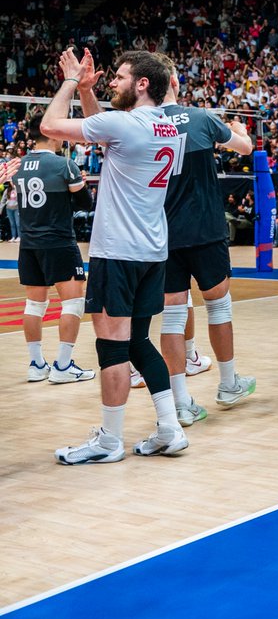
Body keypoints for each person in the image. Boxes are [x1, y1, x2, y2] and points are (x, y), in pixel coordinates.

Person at [42, 47, 190, 463]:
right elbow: (109, 135)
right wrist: (88, 92)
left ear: (142, 84)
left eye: (120, 77)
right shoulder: (167, 128)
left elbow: (50, 125)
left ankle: (109, 441)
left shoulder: (123, 124)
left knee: (111, 347)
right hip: (152, 251)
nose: (113, 81)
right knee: (138, 341)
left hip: (118, 251)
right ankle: (170, 428)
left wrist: (72, 81)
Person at [158, 58, 257, 426]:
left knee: (171, 315)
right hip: (205, 228)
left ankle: (180, 403)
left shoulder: (143, 124)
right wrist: (238, 129)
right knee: (218, 306)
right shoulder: (200, 118)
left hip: (163, 233)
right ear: (174, 81)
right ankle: (228, 384)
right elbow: (244, 148)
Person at [11, 115, 95, 384]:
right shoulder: (64, 165)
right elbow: (85, 203)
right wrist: (79, 185)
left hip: (29, 244)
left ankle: (36, 365)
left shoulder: (19, 166)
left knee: (34, 305)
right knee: (73, 303)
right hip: (59, 242)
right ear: (51, 133)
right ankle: (63, 365)